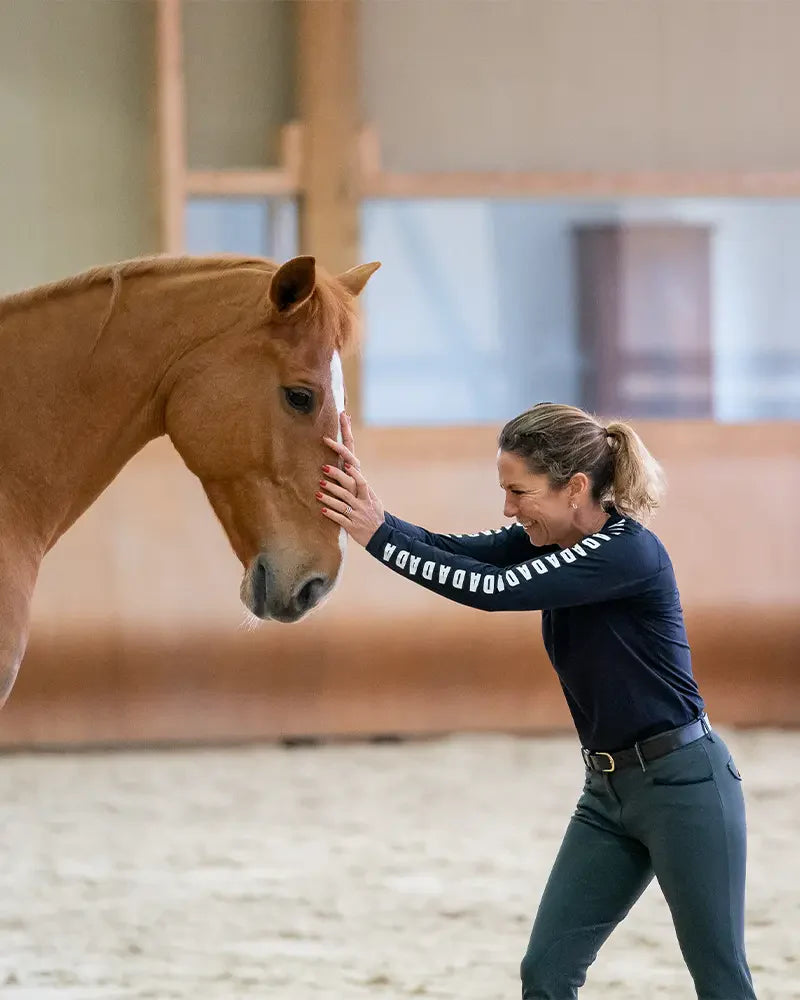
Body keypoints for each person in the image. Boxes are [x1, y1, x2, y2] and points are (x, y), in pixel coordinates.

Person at [315, 402, 756, 1000]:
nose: (508, 509)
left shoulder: (627, 553)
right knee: (545, 972)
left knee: (720, 980)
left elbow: (490, 590)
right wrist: (373, 515)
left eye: (518, 492)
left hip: (686, 788)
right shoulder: (549, 539)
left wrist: (378, 537)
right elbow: (455, 551)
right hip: (607, 795)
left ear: (575, 488)